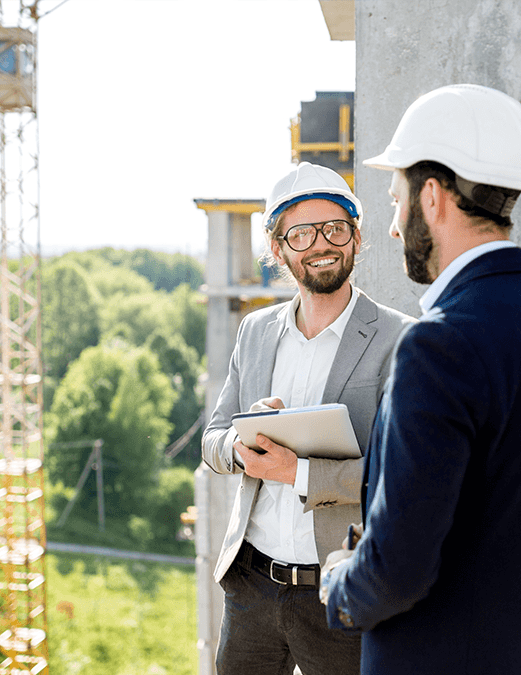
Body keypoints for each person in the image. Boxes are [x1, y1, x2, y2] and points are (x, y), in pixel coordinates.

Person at [320, 84, 521, 675]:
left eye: (395, 200)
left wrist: (340, 585)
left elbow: (398, 571)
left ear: (432, 197)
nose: (394, 227)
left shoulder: (436, 346)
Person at [201, 161, 413, 675]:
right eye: (301, 234)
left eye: (335, 228)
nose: (321, 243)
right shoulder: (255, 332)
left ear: (357, 237)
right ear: (279, 250)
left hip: (338, 588)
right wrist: (239, 446)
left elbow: (403, 483)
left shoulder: (401, 340)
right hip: (251, 586)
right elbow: (211, 441)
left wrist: (294, 472)